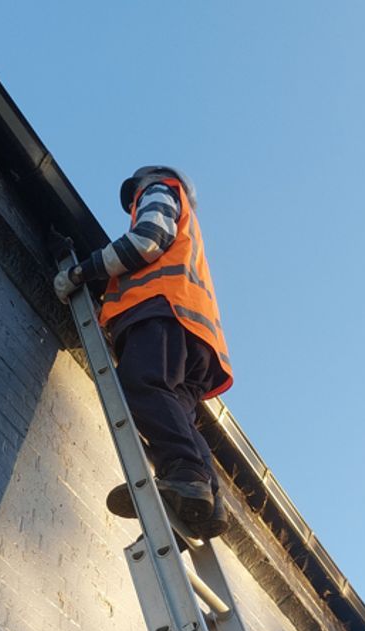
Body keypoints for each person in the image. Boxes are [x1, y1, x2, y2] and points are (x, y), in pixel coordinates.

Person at [53, 165, 234, 537]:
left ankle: (185, 475)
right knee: (175, 411)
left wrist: (80, 273)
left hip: (163, 311)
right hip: (198, 336)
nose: (133, 200)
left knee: (141, 384)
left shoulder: (160, 191)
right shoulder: (191, 232)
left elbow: (147, 240)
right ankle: (208, 498)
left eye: (133, 192)